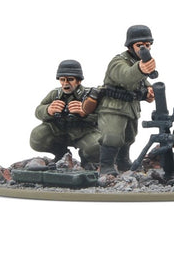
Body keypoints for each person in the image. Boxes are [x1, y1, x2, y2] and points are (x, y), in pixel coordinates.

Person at [96, 25, 156, 175]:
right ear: (130, 46)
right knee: (113, 136)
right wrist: (141, 69)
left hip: (131, 107)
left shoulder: (137, 61)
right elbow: (126, 76)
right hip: (114, 107)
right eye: (140, 45)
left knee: (129, 136)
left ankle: (122, 161)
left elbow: (140, 81)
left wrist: (148, 89)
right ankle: (106, 165)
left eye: (147, 45)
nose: (144, 48)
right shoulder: (118, 61)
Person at [29, 60, 101, 167]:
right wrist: (48, 110)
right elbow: (38, 111)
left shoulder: (90, 95)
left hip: (83, 133)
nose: (66, 83)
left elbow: (104, 116)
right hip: (59, 132)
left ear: (79, 81)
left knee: (98, 145)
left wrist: (85, 113)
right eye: (62, 79)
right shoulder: (55, 94)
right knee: (37, 137)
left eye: (70, 79)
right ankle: (61, 153)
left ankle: (87, 159)